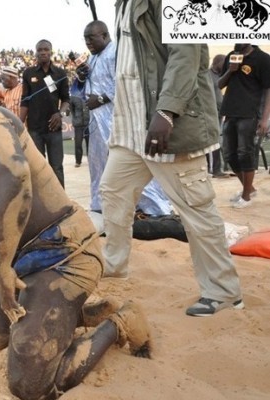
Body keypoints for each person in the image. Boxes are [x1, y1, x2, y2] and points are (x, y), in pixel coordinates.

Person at [0, 80, 151, 399]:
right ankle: (88, 314)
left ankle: (119, 323)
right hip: (21, 263)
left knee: (30, 385)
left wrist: (0, 269)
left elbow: (13, 176)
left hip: (64, 254)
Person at [101, 0, 243, 317]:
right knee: (113, 192)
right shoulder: (124, 4)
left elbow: (188, 54)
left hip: (167, 126)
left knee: (195, 207)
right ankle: (113, 271)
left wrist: (166, 111)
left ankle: (223, 293)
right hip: (130, 130)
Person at [71, 20, 172, 216]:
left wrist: (101, 98)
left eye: (91, 38)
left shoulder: (117, 52)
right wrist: (82, 77)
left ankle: (155, 208)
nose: (87, 43)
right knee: (98, 165)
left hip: (120, 120)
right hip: (97, 123)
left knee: (132, 164)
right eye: (85, 39)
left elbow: (129, 83)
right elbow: (82, 89)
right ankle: (101, 206)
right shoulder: (92, 59)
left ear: (105, 35)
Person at [219, 44, 270, 209]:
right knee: (229, 154)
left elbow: (268, 90)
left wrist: (264, 119)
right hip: (230, 112)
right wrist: (231, 70)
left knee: (245, 153)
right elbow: (219, 84)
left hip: (250, 113)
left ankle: (246, 196)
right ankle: (250, 189)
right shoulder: (231, 56)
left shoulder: (262, 59)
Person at [20, 39, 69, 187]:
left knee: (57, 168)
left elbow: (66, 100)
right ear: (35, 53)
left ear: (51, 52)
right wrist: (19, 124)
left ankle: (61, 203)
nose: (42, 52)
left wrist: (60, 114)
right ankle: (42, 204)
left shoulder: (60, 73)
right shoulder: (28, 73)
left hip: (54, 128)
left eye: (45, 49)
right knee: (38, 169)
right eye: (39, 50)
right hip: (35, 129)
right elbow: (25, 100)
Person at [208, 54, 228, 178]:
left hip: (219, 113)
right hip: (210, 113)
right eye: (224, 63)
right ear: (217, 62)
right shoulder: (207, 75)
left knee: (217, 141)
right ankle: (213, 170)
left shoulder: (219, 75)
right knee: (211, 142)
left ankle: (217, 169)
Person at [68, 95, 89, 167]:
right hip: (78, 124)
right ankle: (78, 161)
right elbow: (71, 110)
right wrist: (75, 119)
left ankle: (90, 159)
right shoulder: (73, 97)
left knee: (89, 143)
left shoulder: (87, 94)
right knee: (78, 144)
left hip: (88, 123)